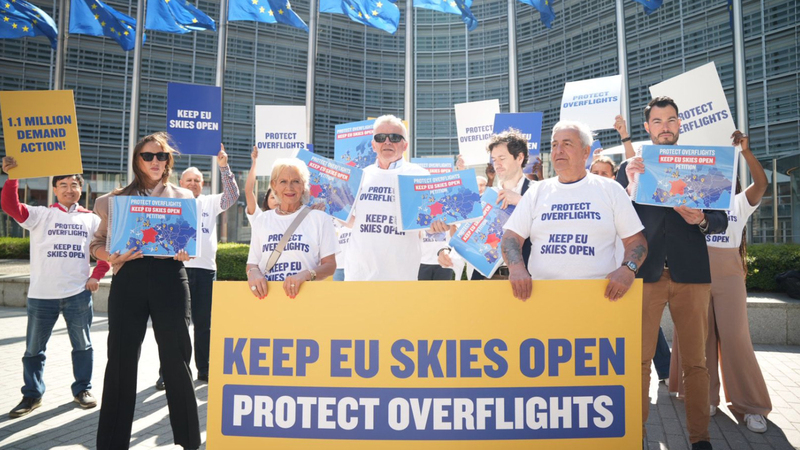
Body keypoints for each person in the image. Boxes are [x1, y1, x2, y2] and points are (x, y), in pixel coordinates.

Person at [616, 96, 728, 450]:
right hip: (645, 275)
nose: (664, 127)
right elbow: (617, 216)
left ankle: (700, 439)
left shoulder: (702, 166)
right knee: (639, 361)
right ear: (647, 127)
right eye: (657, 121)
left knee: (696, 363)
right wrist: (630, 183)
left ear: (680, 124)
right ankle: (635, 435)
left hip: (691, 275)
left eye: (671, 120)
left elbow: (721, 218)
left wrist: (703, 219)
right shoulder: (631, 167)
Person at [90, 132, 200, 450]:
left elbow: (191, 242)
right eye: (148, 156)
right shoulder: (113, 201)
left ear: (168, 162)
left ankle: (189, 442)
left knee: (176, 360)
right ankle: (111, 444)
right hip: (129, 279)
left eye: (161, 156)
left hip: (170, 278)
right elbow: (96, 244)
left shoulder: (184, 197)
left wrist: (185, 251)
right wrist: (111, 256)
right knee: (120, 360)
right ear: (137, 160)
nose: (155, 161)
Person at [668, 130, 772, 433]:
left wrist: (745, 152)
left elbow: (762, 184)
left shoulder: (739, 202)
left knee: (736, 337)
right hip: (695, 271)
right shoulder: (692, 202)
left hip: (729, 274)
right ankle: (705, 398)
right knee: (700, 338)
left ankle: (751, 406)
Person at [1, 159, 110, 418]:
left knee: (83, 346)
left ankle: (82, 389)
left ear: (81, 189)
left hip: (78, 294)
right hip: (42, 296)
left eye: (74, 185)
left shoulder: (92, 220)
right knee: (33, 350)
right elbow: (10, 206)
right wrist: (13, 176)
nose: (69, 189)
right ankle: (32, 395)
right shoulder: (41, 215)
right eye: (63, 185)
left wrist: (96, 275)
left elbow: (105, 251)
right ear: (55, 189)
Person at [500, 121, 647, 303]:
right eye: (554, 145)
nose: (558, 150)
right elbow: (512, 236)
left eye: (567, 144)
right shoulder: (536, 191)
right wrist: (516, 268)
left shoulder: (611, 189)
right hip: (542, 297)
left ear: (586, 151)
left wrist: (628, 269)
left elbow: (635, 240)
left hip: (599, 297)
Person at [172, 147, 239, 385]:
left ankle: (205, 368)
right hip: (176, 269)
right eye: (188, 180)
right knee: (174, 324)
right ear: (180, 183)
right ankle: (169, 371)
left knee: (204, 324)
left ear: (203, 184)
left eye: (197, 180)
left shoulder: (209, 202)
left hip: (205, 271)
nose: (193, 183)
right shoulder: (171, 202)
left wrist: (224, 167)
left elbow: (232, 196)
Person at [344, 115, 434, 281]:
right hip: (359, 275)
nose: (387, 142)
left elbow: (429, 223)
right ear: (373, 145)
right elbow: (352, 221)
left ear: (405, 145)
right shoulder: (359, 176)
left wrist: (437, 226)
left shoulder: (419, 175)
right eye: (380, 138)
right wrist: (332, 208)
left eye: (394, 137)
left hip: (401, 276)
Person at [440, 129, 533, 280]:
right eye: (494, 159)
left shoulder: (537, 192)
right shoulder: (485, 197)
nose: (497, 164)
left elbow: (548, 226)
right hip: (484, 280)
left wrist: (520, 201)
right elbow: (463, 232)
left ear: (520, 157)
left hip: (525, 279)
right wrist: (445, 250)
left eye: (502, 158)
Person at [246, 158, 337, 298]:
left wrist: (306, 275)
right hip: (269, 297)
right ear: (274, 185)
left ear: (304, 185)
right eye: (283, 181)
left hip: (307, 297)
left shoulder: (320, 218)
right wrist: (253, 273)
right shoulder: (262, 220)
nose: (289, 187)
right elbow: (252, 263)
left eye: (296, 181)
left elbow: (330, 265)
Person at [244, 147, 278, 225]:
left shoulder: (292, 218)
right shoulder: (259, 218)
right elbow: (248, 191)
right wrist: (255, 163)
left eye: (279, 197)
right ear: (267, 201)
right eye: (273, 197)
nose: (276, 200)